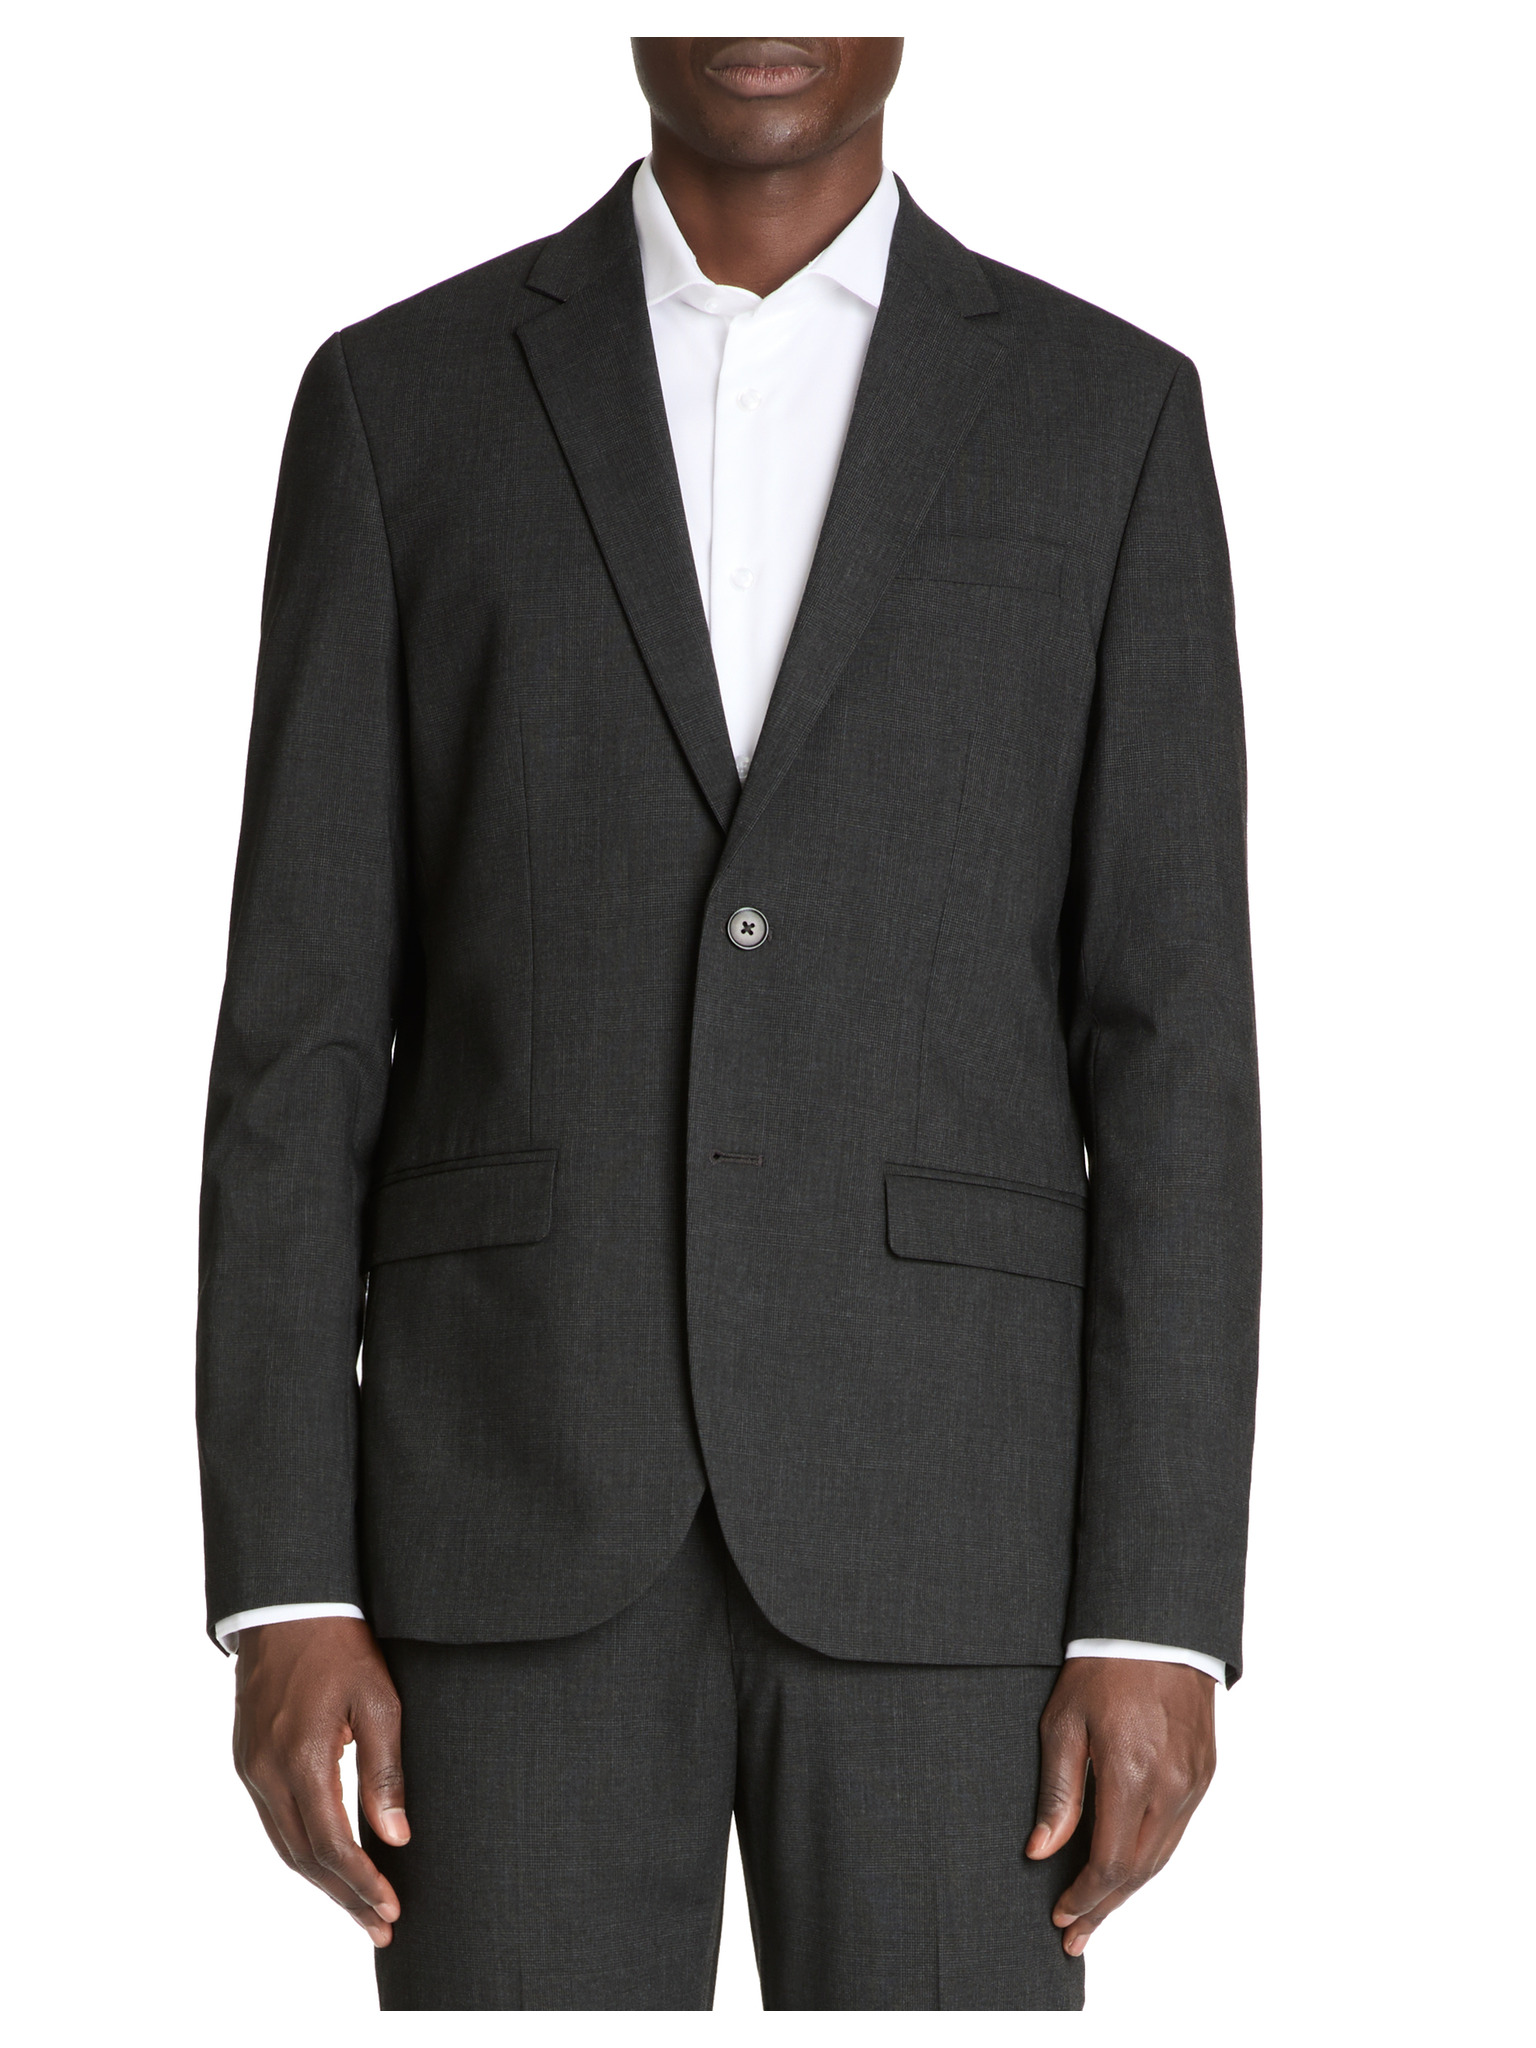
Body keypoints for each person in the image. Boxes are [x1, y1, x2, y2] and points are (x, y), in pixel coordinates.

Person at [198, 36, 1261, 2011]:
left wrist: (1159, 1607)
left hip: (957, 1535)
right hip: (502, 1504)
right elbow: (300, 1037)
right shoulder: (399, 403)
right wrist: (289, 1576)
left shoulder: (1104, 415)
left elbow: (1173, 1050)